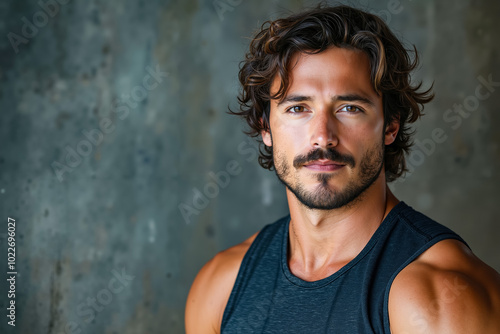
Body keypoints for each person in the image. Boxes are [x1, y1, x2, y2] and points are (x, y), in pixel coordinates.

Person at [185, 4, 500, 333]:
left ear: (390, 126)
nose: (323, 136)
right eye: (298, 108)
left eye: (349, 107)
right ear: (266, 129)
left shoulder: (441, 301)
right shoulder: (221, 286)